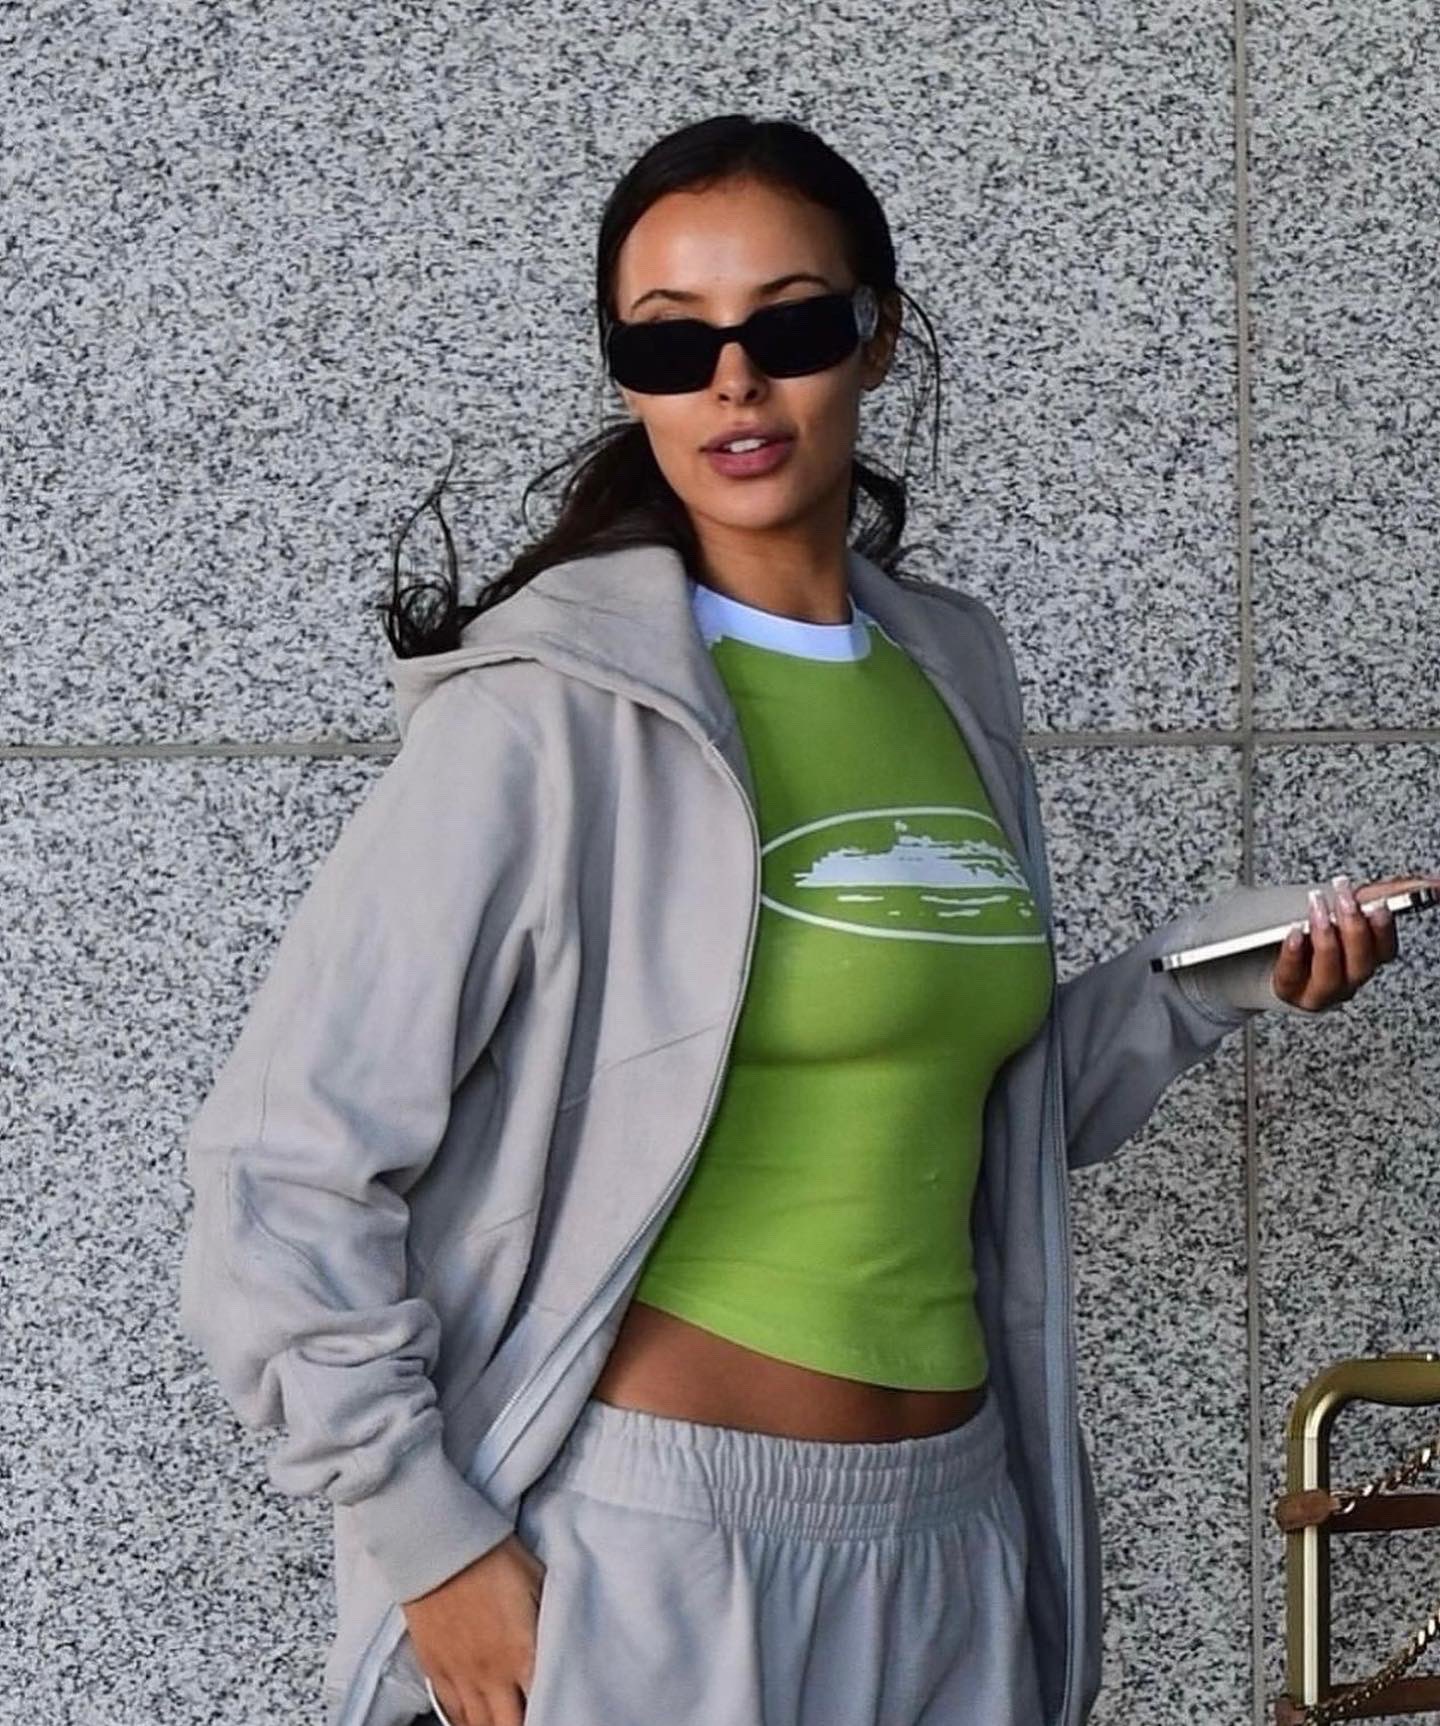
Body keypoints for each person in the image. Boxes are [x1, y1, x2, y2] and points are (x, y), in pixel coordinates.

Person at [177, 115, 1434, 1726]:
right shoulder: (546, 719)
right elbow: (281, 1163)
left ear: (875, 337)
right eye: (670, 341)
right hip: (658, 1551)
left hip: (955, 1541)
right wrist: (431, 1541)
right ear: (627, 375)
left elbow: (963, 1108)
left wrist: (1216, 979)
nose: (733, 382)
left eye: (788, 327)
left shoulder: (948, 676)